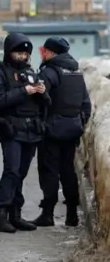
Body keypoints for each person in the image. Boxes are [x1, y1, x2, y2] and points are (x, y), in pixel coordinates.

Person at [0, 33, 46, 233]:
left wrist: (42, 92)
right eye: (18, 52)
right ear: (9, 52)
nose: (22, 57)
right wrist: (24, 91)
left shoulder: (31, 72)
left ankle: (16, 215)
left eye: (25, 53)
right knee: (11, 171)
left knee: (20, 174)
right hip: (11, 129)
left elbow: (46, 104)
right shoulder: (0, 72)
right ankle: (1, 216)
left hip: (31, 130)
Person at [34, 37, 91, 227]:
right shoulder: (76, 71)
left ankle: (48, 214)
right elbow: (86, 104)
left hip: (51, 130)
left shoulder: (50, 71)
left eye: (45, 51)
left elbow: (39, 97)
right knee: (68, 171)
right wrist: (78, 122)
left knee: (49, 171)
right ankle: (72, 214)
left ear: (51, 52)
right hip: (72, 129)